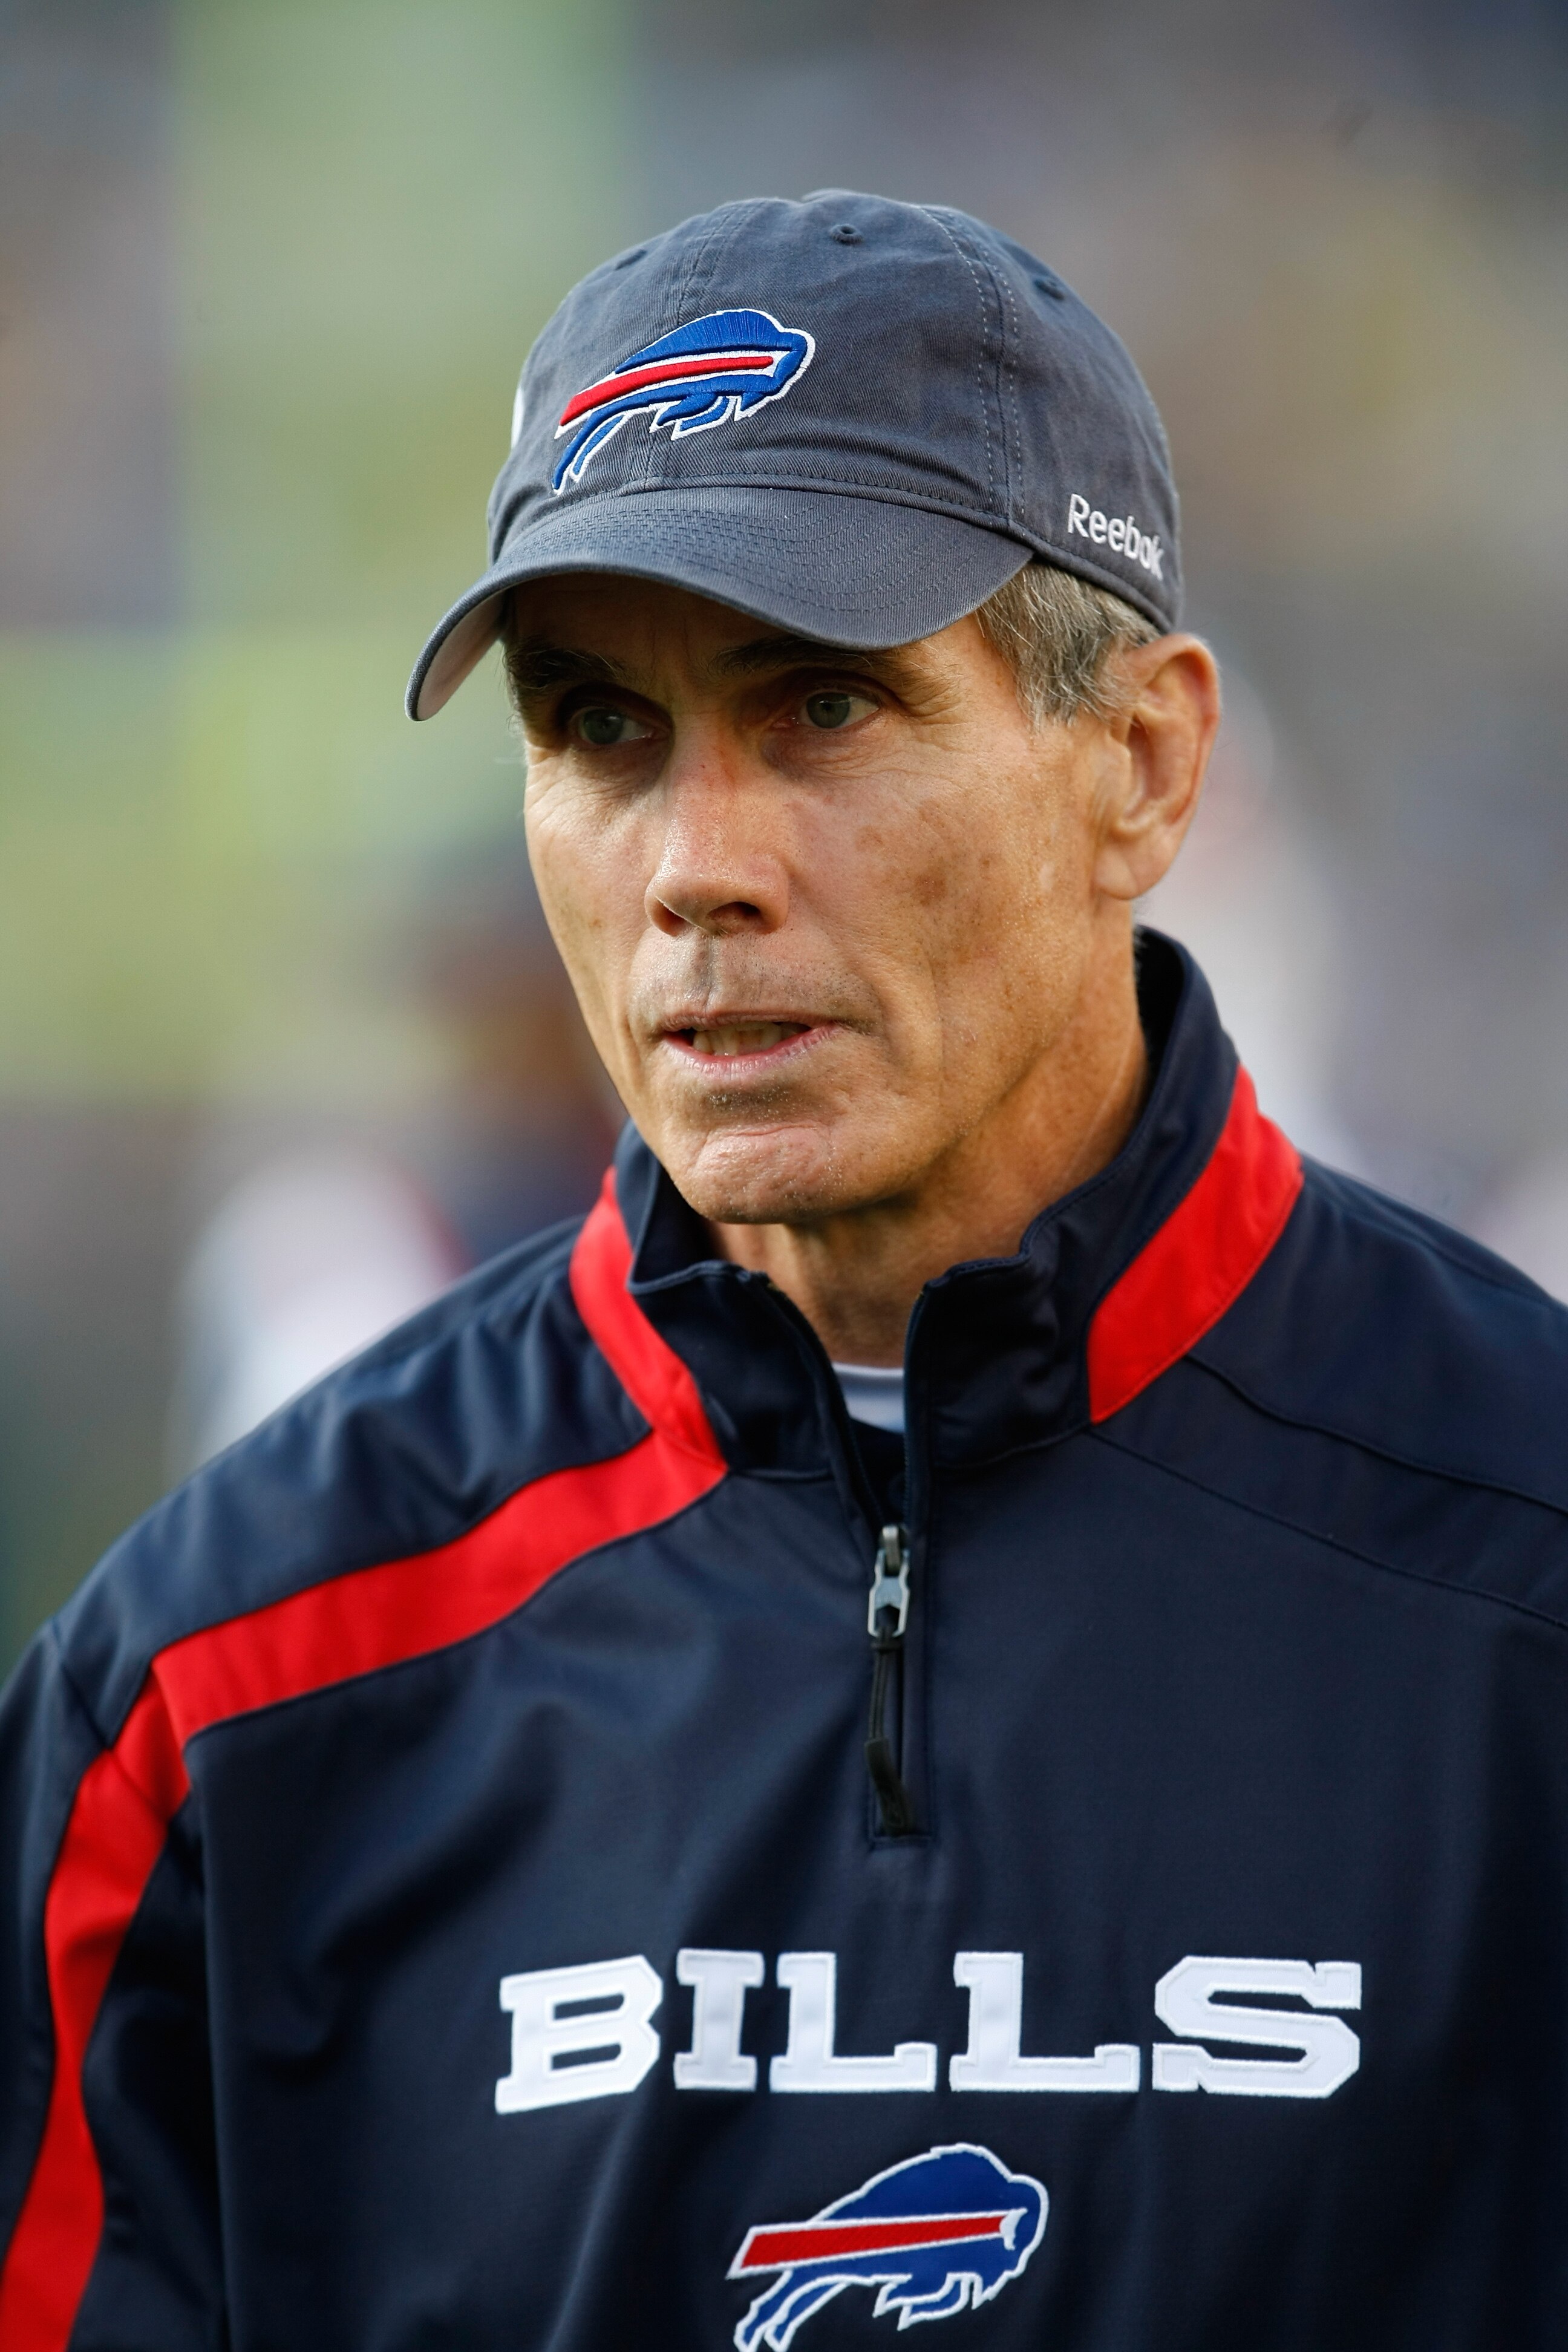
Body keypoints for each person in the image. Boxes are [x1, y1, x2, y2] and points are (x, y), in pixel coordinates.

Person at [3, 191, 1567, 2352]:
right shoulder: (219, 1685)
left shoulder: (1519, 1570)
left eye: (825, 710)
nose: (696, 874)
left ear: (1145, 764)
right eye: (598, 732)